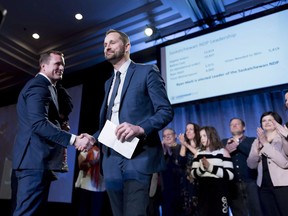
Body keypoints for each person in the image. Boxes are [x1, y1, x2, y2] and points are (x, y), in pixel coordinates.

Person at [92, 29, 173, 216]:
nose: (107, 47)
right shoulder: (108, 83)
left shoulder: (147, 71)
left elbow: (165, 111)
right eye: (105, 44)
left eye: (112, 42)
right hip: (110, 158)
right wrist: (92, 138)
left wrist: (140, 128)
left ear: (127, 46)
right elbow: (109, 123)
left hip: (139, 156)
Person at [11, 50, 95, 216]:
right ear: (43, 66)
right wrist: (73, 140)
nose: (62, 67)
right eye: (57, 63)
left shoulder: (49, 87)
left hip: (35, 162)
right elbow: (39, 124)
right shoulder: (38, 86)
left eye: (63, 64)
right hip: (34, 162)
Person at [247, 111, 288, 216]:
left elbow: (284, 163)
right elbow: (251, 165)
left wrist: (266, 144)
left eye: (270, 120)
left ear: (277, 122)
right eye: (264, 120)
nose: (267, 122)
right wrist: (256, 150)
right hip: (263, 186)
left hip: (282, 185)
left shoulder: (283, 138)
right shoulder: (257, 141)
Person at [222, 118, 262, 216]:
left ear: (244, 127)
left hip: (251, 182)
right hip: (233, 184)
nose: (234, 125)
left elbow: (253, 155)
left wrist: (237, 144)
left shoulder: (252, 140)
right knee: (238, 212)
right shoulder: (223, 142)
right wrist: (226, 149)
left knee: (257, 210)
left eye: (237, 124)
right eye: (232, 124)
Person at [191, 126, 234, 216]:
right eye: (201, 136)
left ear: (212, 136)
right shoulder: (198, 153)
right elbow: (193, 174)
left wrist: (210, 167)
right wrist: (202, 168)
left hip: (219, 190)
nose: (202, 139)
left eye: (205, 136)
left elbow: (230, 175)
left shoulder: (223, 152)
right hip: (203, 190)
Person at [75, 145, 112, 216]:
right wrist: (92, 162)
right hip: (86, 185)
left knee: (96, 211)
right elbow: (80, 165)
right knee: (83, 210)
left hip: (99, 187)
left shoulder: (106, 152)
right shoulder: (87, 149)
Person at [160, 128, 185, 216]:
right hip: (165, 189)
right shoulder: (161, 151)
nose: (167, 137)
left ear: (175, 135)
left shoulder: (181, 148)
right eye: (164, 136)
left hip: (180, 187)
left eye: (169, 135)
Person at [178, 122, 201, 216]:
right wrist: (183, 144)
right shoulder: (184, 146)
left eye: (191, 129)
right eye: (186, 130)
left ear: (196, 131)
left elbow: (199, 155)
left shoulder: (202, 145)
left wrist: (186, 144)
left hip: (200, 181)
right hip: (188, 183)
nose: (188, 132)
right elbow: (181, 162)